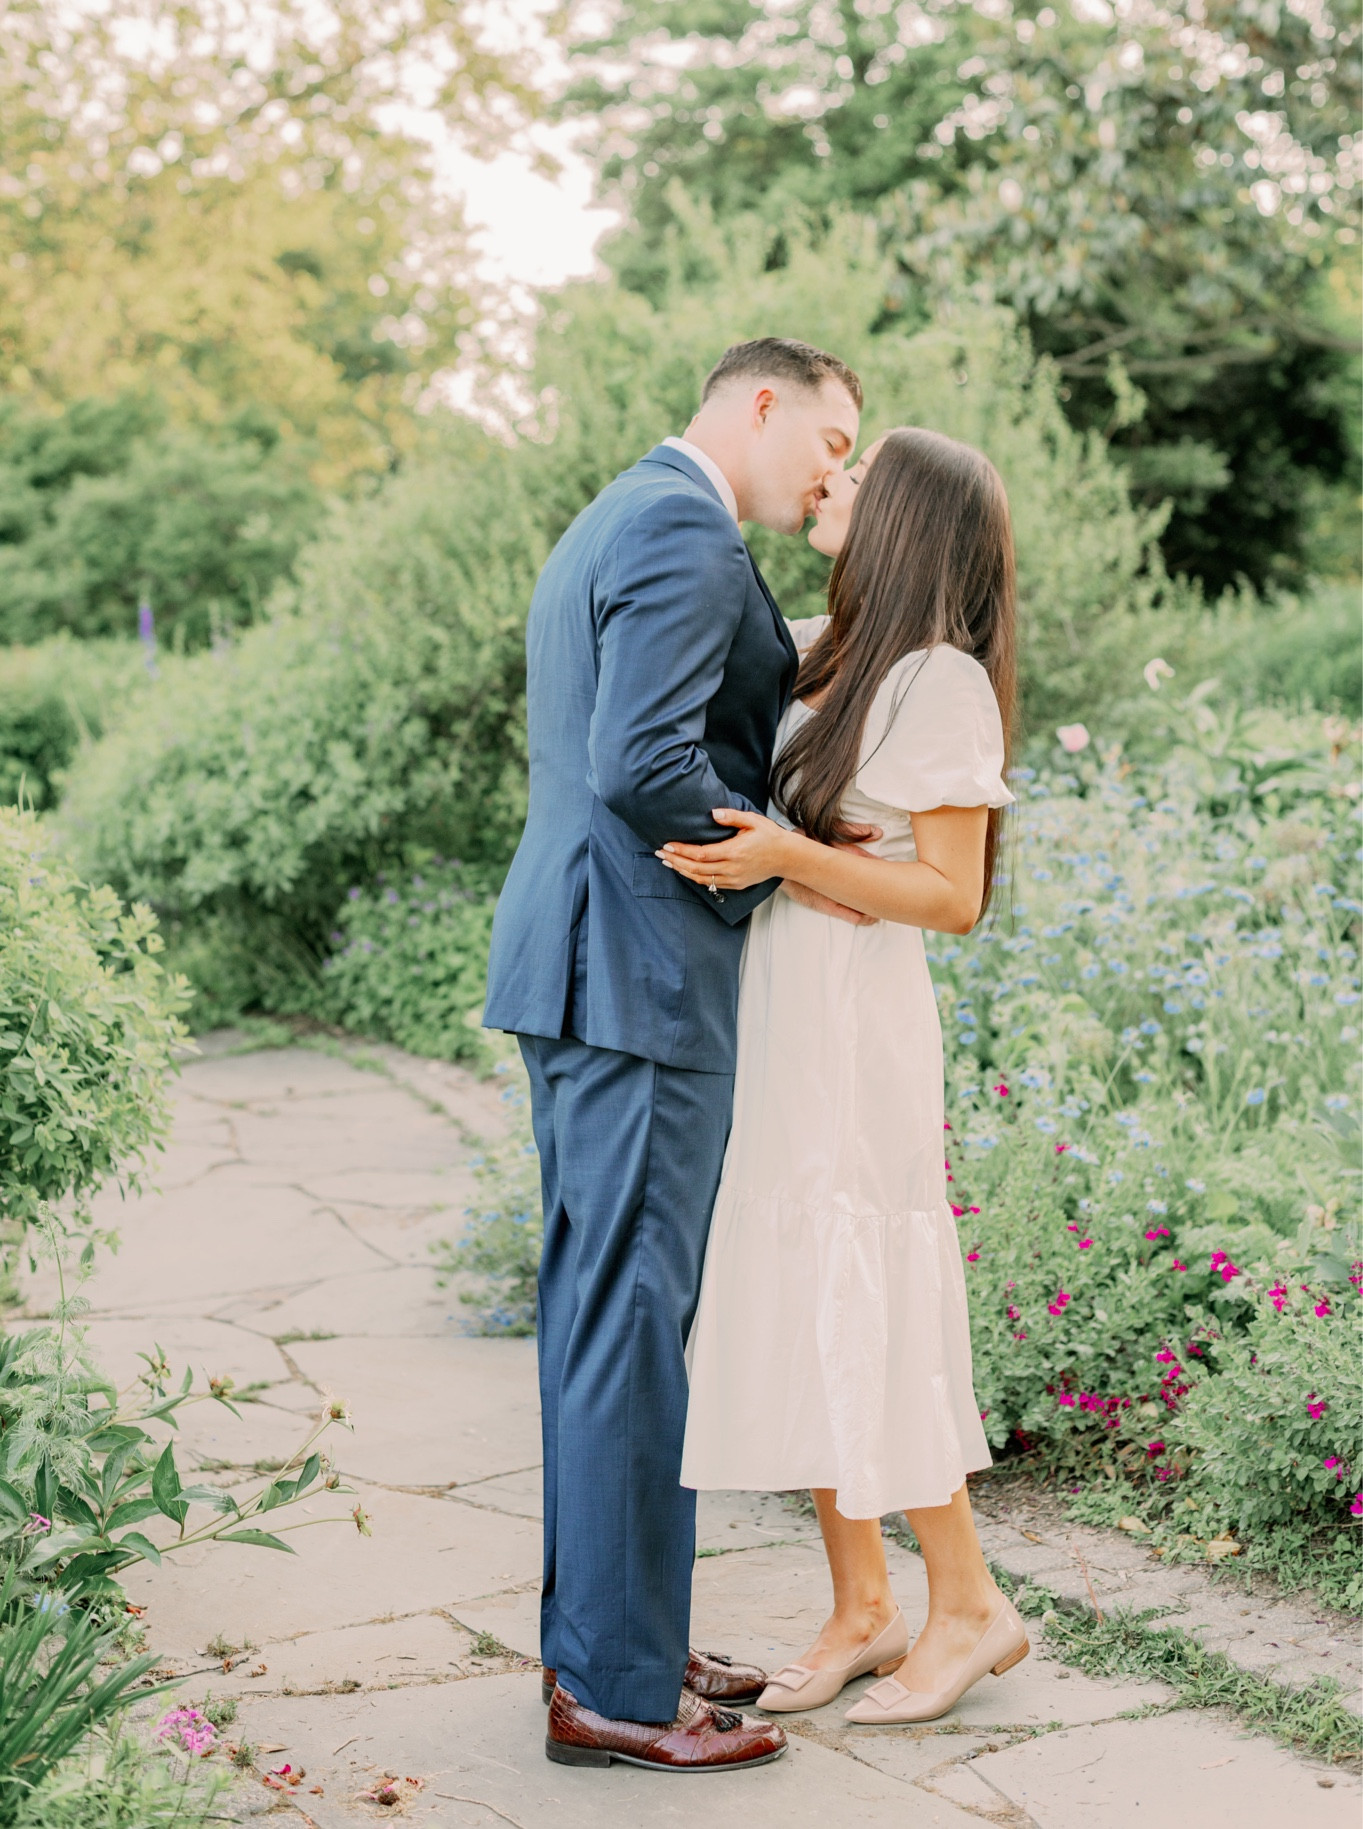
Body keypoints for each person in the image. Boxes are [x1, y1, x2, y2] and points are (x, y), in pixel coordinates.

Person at [482, 337, 866, 1772]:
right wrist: (789, 863)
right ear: (762, 403)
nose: (831, 473)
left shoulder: (623, 509)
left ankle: (615, 1632)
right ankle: (619, 1689)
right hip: (637, 975)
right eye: (831, 441)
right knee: (633, 1323)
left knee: (607, 1319)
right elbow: (642, 764)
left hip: (592, 964)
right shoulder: (685, 531)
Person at [667, 426, 1030, 1725]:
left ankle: (970, 1604)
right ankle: (862, 1605)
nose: (834, 480)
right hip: (788, 1010)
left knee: (869, 1299)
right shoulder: (830, 649)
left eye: (861, 472)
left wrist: (790, 859)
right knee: (807, 1291)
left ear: (910, 519)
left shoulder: (939, 679)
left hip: (859, 1024)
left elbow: (953, 895)